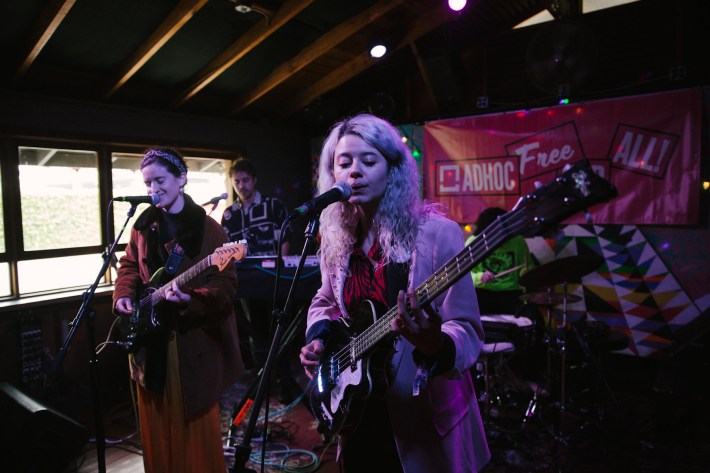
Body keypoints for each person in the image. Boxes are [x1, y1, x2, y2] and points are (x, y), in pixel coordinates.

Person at [299, 114, 490, 472]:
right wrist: (319, 338)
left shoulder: (438, 234)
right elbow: (325, 302)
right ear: (332, 174)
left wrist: (435, 344)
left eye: (369, 161)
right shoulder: (337, 241)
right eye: (344, 163)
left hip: (423, 416)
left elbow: (466, 328)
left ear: (393, 169)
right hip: (358, 409)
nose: (355, 172)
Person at [113, 147, 244, 472]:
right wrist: (124, 294)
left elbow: (226, 286)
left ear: (181, 178)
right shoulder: (143, 225)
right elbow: (129, 264)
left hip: (188, 343)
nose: (153, 189)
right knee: (157, 429)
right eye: (147, 183)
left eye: (160, 180)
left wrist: (191, 299)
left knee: (194, 435)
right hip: (149, 342)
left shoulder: (209, 229)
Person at [466, 207, 533, 316]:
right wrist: (480, 276)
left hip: (511, 293)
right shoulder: (474, 242)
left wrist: (525, 272)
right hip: (482, 293)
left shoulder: (518, 240)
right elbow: (464, 276)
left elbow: (527, 265)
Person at [221, 157, 291, 257]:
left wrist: (280, 265)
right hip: (240, 267)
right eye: (236, 182)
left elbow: (286, 239)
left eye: (245, 180)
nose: (241, 186)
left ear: (254, 180)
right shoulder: (228, 214)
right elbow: (225, 248)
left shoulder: (273, 206)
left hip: (271, 266)